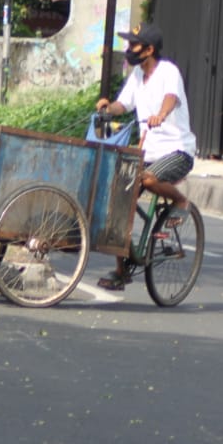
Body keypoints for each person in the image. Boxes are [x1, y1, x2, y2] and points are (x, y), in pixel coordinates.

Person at [94, 21, 197, 290]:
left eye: (134, 45)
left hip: (177, 150)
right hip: (147, 153)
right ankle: (121, 270)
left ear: (149, 49)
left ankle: (181, 202)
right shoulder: (137, 76)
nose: (129, 49)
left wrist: (161, 115)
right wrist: (108, 108)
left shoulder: (168, 71)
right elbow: (123, 104)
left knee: (148, 180)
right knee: (115, 205)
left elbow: (171, 98)